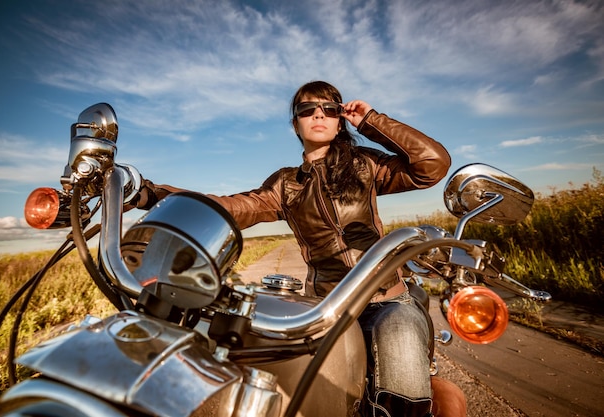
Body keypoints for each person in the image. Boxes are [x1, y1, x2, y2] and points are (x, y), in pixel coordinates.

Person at [133, 80, 464, 417]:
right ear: (296, 124)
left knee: (399, 333)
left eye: (329, 109)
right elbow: (230, 206)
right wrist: (148, 194)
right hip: (328, 308)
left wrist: (371, 120)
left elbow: (432, 165)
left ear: (339, 121)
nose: (318, 115)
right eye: (307, 110)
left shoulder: (366, 165)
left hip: (387, 300)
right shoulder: (286, 184)